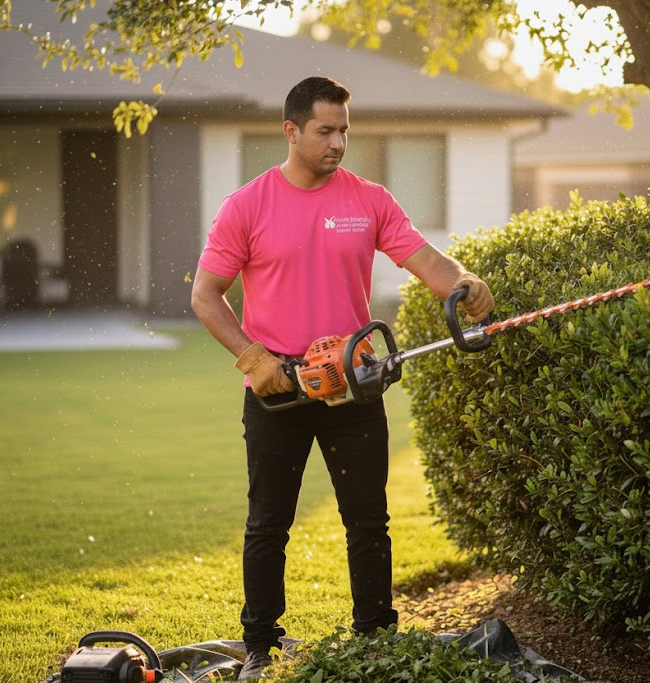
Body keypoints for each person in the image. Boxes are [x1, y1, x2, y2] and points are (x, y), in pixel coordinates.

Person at [190, 76, 495, 680]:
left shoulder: (368, 200)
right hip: (278, 391)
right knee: (267, 521)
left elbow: (425, 259)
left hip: (353, 385)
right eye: (325, 131)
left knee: (367, 517)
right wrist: (255, 360)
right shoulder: (247, 205)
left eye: (344, 131)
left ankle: (376, 637)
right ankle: (260, 642)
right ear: (292, 131)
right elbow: (206, 296)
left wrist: (463, 280)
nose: (337, 143)